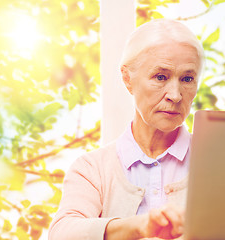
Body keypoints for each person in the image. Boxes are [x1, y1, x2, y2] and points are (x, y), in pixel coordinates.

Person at [48, 18, 204, 240]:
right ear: (127, 79)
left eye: (187, 79)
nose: (175, 95)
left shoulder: (219, 163)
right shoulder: (93, 168)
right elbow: (62, 233)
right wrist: (139, 226)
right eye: (161, 76)